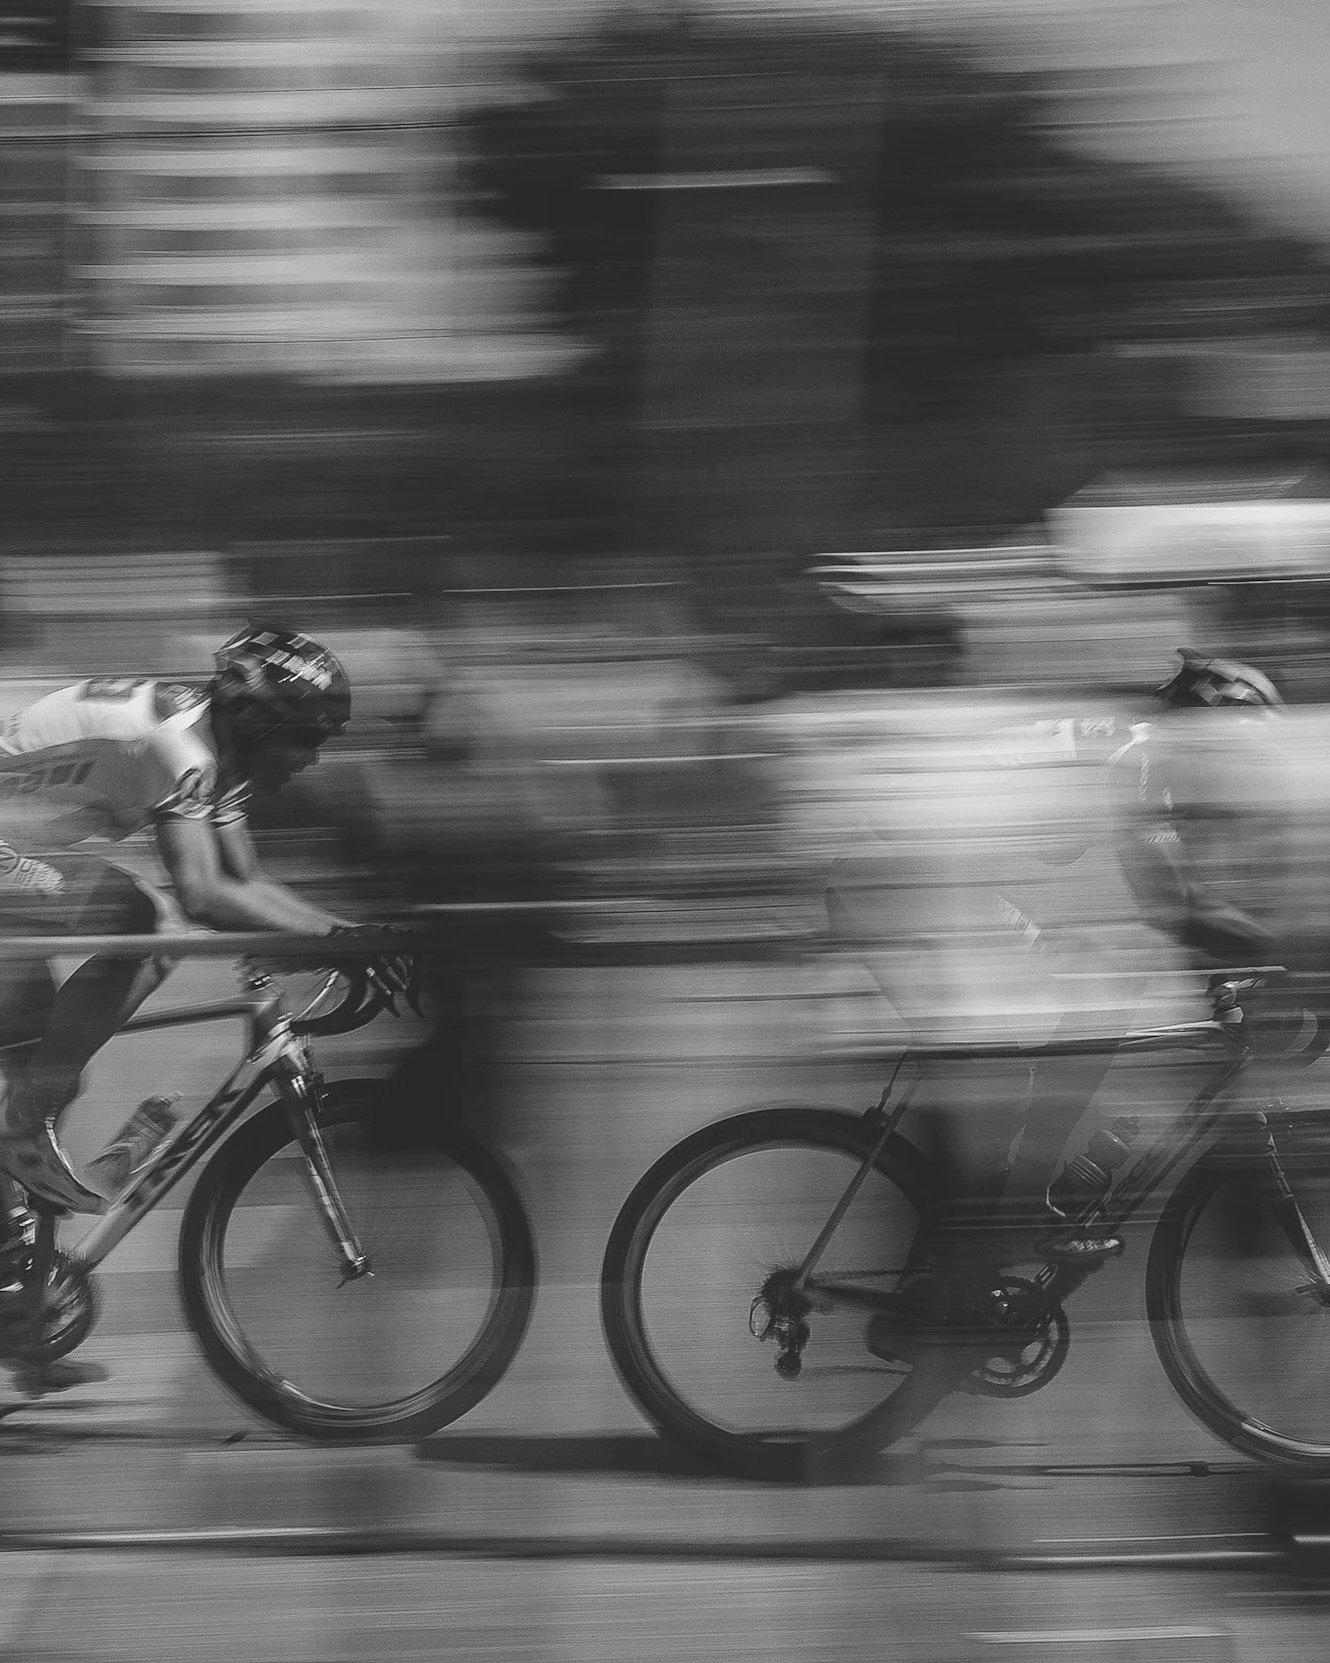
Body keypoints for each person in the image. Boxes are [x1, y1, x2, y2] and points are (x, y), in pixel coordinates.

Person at [0, 626, 409, 1220]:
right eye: (302, 738)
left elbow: (249, 884)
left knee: (43, 1056)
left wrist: (348, 935)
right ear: (251, 717)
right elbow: (203, 893)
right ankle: (22, 1124)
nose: (310, 758)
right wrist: (342, 943)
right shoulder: (181, 747)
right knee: (155, 924)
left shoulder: (210, 745)